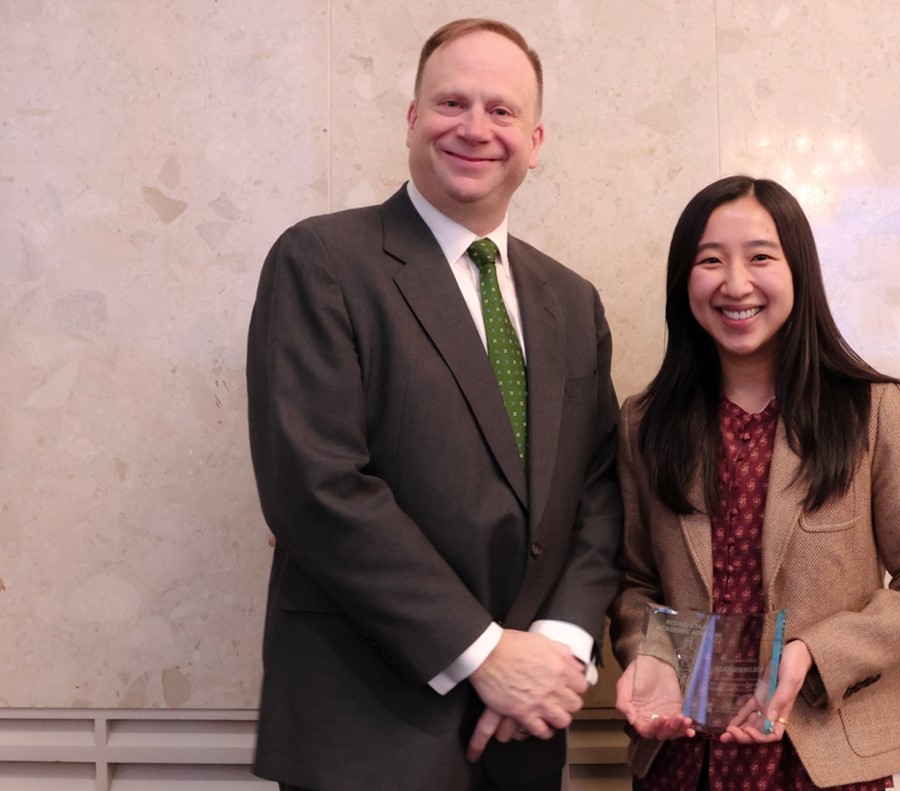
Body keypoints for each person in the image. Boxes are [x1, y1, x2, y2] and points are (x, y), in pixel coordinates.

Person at [246, 18, 622, 791]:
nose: (476, 128)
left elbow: (599, 490)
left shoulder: (573, 302)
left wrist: (556, 646)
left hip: (527, 731)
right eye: (452, 103)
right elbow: (316, 488)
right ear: (413, 121)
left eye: (502, 110)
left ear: (537, 139)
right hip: (367, 733)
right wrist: (485, 654)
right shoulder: (321, 261)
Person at [609, 176, 900, 790]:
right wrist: (651, 656)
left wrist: (816, 655)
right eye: (709, 260)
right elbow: (636, 582)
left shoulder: (872, 413)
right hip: (685, 763)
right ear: (684, 280)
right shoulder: (645, 424)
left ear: (798, 271)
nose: (735, 283)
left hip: (827, 761)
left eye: (760, 256)